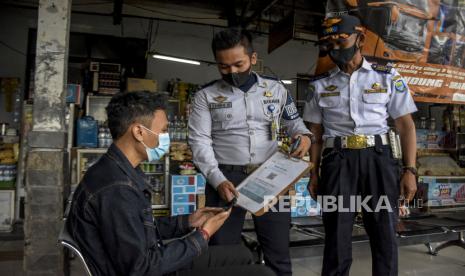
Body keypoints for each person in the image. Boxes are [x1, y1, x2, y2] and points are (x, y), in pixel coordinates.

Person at [67, 91, 275, 276]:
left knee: (241, 254)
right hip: (148, 268)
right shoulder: (116, 189)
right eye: (164, 130)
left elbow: (138, 229)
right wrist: (203, 235)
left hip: (148, 260)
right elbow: (143, 267)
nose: (167, 137)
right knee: (262, 273)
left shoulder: (116, 170)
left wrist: (188, 221)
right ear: (139, 132)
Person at [188, 28, 313, 276]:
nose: (232, 72)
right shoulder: (206, 96)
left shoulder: (277, 90)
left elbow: (295, 123)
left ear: (253, 59)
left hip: (270, 178)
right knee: (223, 252)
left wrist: (304, 136)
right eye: (224, 67)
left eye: (238, 64)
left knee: (278, 250)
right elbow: (199, 141)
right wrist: (217, 179)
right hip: (225, 180)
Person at [303, 15, 418, 276]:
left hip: (379, 159)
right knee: (336, 234)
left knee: (384, 233)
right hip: (338, 162)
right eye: (329, 42)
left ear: (360, 39)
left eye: (341, 40)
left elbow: (406, 126)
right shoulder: (320, 85)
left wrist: (410, 170)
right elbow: (316, 134)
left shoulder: (388, 76)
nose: (335, 47)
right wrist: (314, 172)